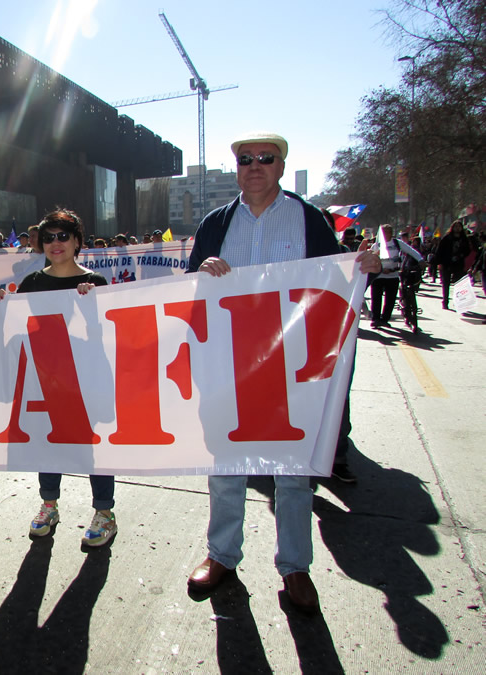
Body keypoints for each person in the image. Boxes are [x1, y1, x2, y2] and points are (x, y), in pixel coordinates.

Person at [184, 132, 382, 613]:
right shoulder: (216, 223)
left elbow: (334, 280)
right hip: (230, 365)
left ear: (281, 165)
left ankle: (295, 567)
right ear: (237, 168)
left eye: (265, 159)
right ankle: (222, 557)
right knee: (227, 467)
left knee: (293, 473)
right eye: (245, 159)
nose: (254, 166)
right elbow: (187, 295)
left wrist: (362, 268)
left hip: (291, 368)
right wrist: (201, 272)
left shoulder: (307, 217)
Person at [0, 208, 117, 548]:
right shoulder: (32, 283)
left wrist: (90, 310)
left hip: (84, 376)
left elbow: (105, 336)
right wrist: (0, 304)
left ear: (77, 241)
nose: (55, 243)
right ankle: (49, 504)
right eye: (48, 238)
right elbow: (20, 325)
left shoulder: (96, 283)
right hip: (46, 376)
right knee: (48, 440)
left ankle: (104, 512)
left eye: (63, 236)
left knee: (92, 445)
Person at [369, 225, 402, 328]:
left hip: (393, 276)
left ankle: (385, 319)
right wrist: (382, 269)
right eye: (384, 232)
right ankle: (375, 319)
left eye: (388, 232)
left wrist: (420, 260)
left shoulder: (397, 243)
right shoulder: (376, 245)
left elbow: (411, 251)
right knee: (376, 299)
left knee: (390, 300)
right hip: (378, 276)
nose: (386, 234)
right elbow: (371, 259)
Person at [436, 220, 472, 310]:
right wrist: (439, 263)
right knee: (446, 284)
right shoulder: (447, 238)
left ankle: (459, 302)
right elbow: (440, 251)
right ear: (452, 227)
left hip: (459, 264)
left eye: (459, 226)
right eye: (456, 226)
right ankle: (445, 301)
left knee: (460, 284)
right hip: (446, 264)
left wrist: (462, 255)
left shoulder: (464, 239)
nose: (457, 228)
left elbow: (468, 250)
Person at [398, 231, 425, 334]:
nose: (404, 239)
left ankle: (413, 311)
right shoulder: (399, 248)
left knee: (412, 291)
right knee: (403, 290)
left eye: (405, 237)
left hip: (412, 273)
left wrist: (421, 264)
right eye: (402, 237)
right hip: (402, 272)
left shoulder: (411, 249)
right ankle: (404, 306)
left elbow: (418, 257)